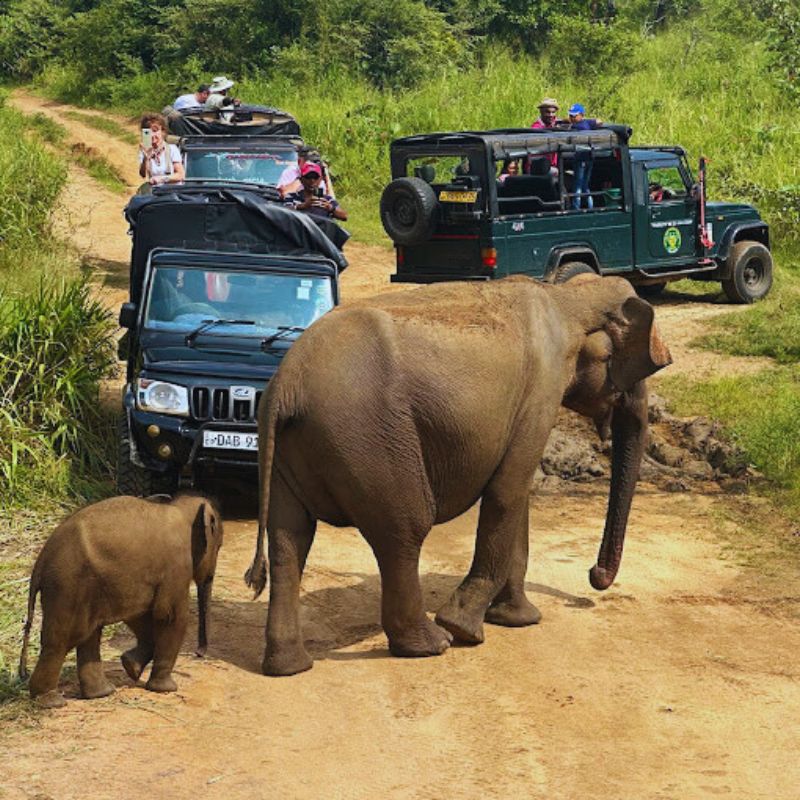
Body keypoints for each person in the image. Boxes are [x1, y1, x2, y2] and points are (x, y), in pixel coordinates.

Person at [567, 103, 602, 210]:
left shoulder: (576, 127)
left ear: (581, 115)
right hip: (589, 158)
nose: (572, 118)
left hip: (581, 158)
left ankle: (576, 208)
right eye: (570, 116)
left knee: (577, 186)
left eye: (574, 116)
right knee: (585, 186)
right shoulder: (587, 123)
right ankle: (590, 206)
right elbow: (599, 121)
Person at [138, 113, 184, 186]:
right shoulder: (145, 150)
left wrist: (162, 179)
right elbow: (143, 174)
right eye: (148, 132)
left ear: (162, 131)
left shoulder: (172, 149)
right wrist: (146, 158)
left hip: (173, 192)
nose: (152, 135)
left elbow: (180, 175)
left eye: (155, 131)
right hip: (156, 192)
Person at [530, 98, 561, 173]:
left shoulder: (556, 124)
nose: (551, 115)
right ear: (541, 112)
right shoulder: (536, 127)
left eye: (553, 112)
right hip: (539, 166)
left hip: (553, 164)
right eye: (547, 112)